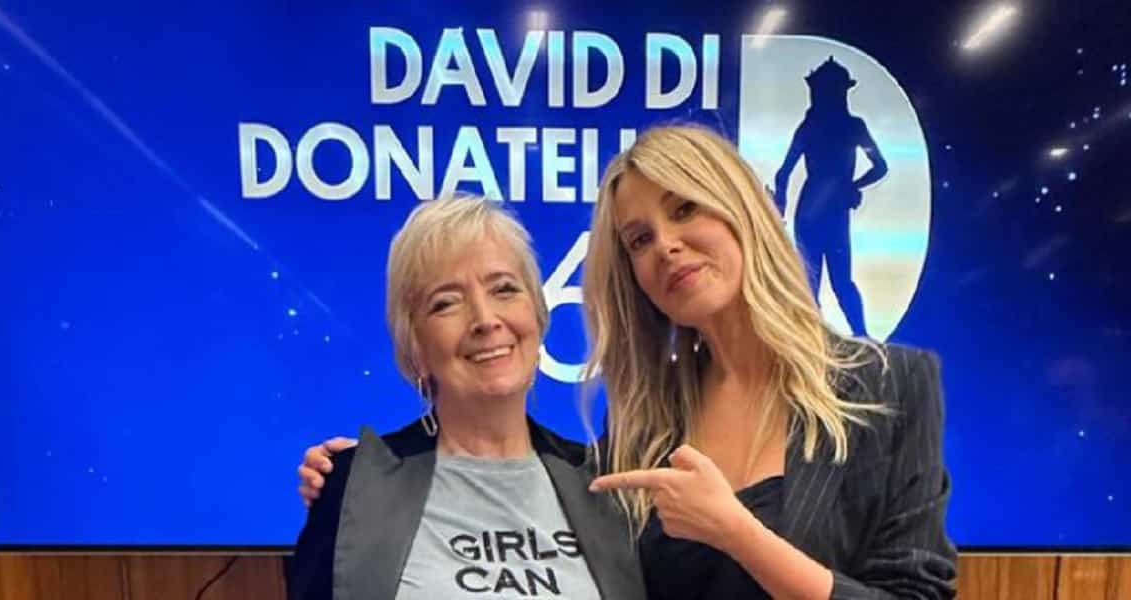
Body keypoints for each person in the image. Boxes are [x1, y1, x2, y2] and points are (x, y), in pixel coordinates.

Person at [300, 125, 957, 599]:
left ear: (744, 211)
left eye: (685, 209)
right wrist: (366, 478)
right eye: (640, 239)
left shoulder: (892, 386)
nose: (666, 246)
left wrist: (738, 533)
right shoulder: (641, 433)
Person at [287, 196, 645, 600]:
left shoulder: (607, 484)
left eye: (504, 289)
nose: (485, 320)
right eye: (446, 303)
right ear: (415, 347)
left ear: (537, 316)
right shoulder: (355, 487)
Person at [774, 56, 889, 338]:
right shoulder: (819, 126)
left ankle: (860, 336)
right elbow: (783, 172)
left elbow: (880, 166)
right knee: (815, 281)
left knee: (835, 280)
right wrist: (779, 206)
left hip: (827, 207)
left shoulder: (846, 126)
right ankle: (819, 339)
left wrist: (854, 186)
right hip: (818, 208)